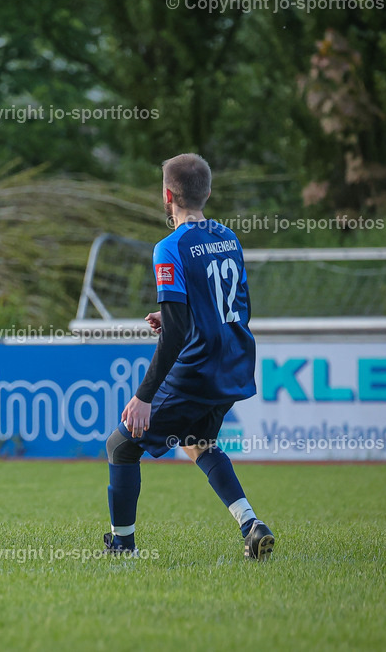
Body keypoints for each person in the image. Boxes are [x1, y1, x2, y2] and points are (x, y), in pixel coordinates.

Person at [104, 153, 274, 560]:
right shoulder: (228, 237)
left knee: (121, 446)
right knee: (199, 442)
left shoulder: (170, 247)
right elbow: (223, 301)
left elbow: (177, 335)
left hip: (199, 366)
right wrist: (172, 313)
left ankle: (122, 546)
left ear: (166, 195)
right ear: (208, 192)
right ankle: (252, 525)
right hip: (234, 361)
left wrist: (145, 395)